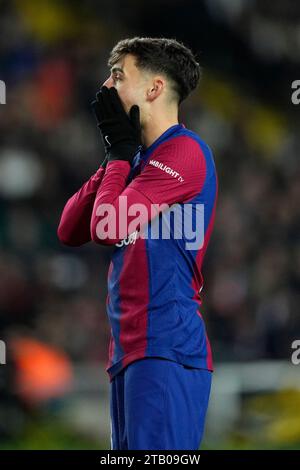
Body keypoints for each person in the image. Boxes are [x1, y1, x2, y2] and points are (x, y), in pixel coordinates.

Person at [57, 37, 218, 450]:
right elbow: (70, 228)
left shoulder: (185, 152)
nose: (105, 89)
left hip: (166, 348)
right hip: (129, 352)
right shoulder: (136, 161)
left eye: (117, 76)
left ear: (154, 89)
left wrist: (120, 158)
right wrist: (118, 154)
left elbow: (108, 225)